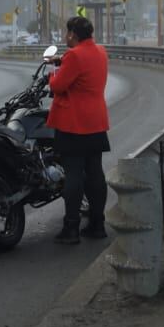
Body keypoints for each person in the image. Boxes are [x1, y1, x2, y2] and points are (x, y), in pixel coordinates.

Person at [45, 15, 110, 244]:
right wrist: (60, 61)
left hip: (74, 122)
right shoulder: (100, 51)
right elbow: (81, 65)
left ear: (72, 34)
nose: (65, 36)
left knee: (73, 174)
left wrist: (53, 71)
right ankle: (97, 223)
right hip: (96, 121)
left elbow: (58, 85)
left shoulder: (74, 55)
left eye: (67, 32)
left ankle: (71, 228)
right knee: (95, 172)